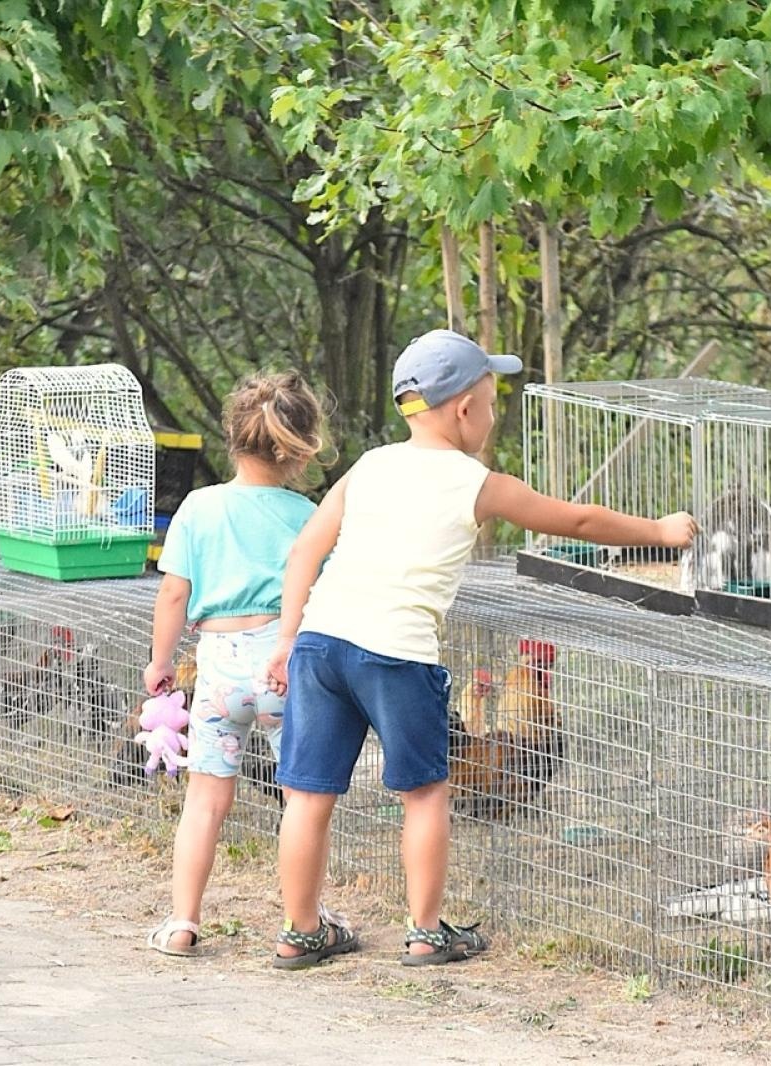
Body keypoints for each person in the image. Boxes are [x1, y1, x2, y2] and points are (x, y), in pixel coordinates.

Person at [266, 329, 698, 968]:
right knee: (425, 794)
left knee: (308, 795)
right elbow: (575, 521)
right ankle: (425, 930)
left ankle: (301, 932)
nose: (494, 417)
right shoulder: (477, 482)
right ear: (465, 409)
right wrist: (660, 530)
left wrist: (286, 637)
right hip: (397, 653)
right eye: (493, 403)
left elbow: (306, 549)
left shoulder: (369, 466)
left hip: (321, 643)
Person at [143, 371, 331, 956]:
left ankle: (182, 922)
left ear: (232, 438)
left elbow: (174, 593)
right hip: (284, 663)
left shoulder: (199, 507)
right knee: (300, 800)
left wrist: (159, 661)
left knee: (205, 800)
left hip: (218, 668)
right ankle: (303, 923)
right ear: (299, 450)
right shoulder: (309, 514)